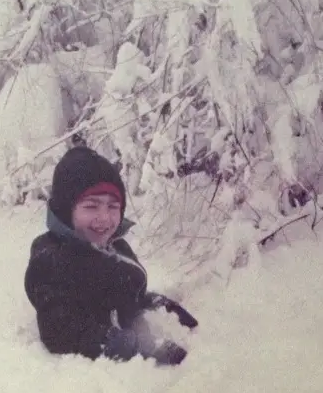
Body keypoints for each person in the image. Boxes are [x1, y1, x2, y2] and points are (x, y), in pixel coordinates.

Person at [24, 145, 198, 366]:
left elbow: (124, 291)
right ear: (66, 210)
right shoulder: (52, 261)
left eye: (113, 206)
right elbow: (58, 330)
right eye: (91, 206)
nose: (104, 217)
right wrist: (127, 345)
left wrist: (157, 304)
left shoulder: (115, 246)